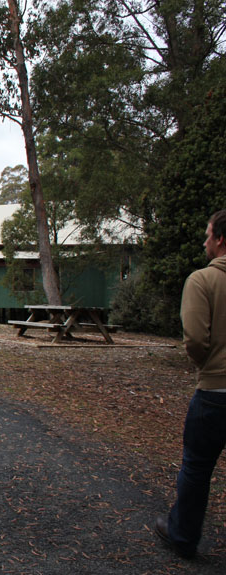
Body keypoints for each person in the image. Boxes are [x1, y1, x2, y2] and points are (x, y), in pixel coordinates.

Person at [155, 210, 226, 559]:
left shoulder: (203, 280)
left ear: (221, 239)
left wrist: (207, 367)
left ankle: (183, 536)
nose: (204, 241)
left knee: (197, 467)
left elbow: (196, 339)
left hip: (215, 392)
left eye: (208, 234)